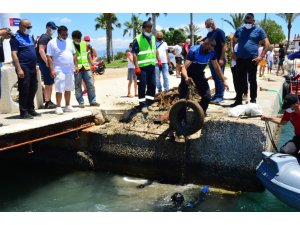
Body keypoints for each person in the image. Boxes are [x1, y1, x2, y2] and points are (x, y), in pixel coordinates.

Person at [179, 38, 229, 114]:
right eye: (208, 49)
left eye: (211, 49)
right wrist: (186, 78)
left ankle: (199, 114)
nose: (209, 51)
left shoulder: (212, 52)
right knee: (183, 98)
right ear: (204, 44)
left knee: (207, 97)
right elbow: (184, 68)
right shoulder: (194, 51)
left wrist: (223, 80)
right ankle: (180, 118)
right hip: (188, 74)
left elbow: (217, 67)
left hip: (199, 74)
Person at [231, 13, 270, 107]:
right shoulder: (240, 29)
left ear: (253, 21)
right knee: (239, 80)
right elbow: (233, 40)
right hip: (240, 59)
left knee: (252, 80)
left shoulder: (259, 30)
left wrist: (261, 56)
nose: (247, 23)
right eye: (245, 21)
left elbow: (267, 43)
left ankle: (253, 100)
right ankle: (238, 100)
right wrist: (232, 52)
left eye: (249, 21)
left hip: (252, 60)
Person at [10, 19, 41, 119]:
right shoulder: (15, 37)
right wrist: (18, 69)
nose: (29, 29)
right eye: (27, 27)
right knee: (24, 89)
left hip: (32, 67)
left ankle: (30, 109)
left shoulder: (29, 37)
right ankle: (23, 112)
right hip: (23, 66)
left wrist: (35, 66)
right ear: (20, 26)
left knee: (33, 87)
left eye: (30, 27)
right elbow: (14, 54)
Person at [46, 25, 78, 115]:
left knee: (69, 87)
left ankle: (67, 106)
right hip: (59, 68)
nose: (65, 35)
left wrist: (76, 66)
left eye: (66, 34)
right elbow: (49, 57)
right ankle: (58, 106)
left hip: (69, 68)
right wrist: (51, 70)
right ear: (59, 34)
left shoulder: (70, 41)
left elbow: (74, 54)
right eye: (63, 34)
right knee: (59, 88)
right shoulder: (51, 43)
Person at [132, 19, 161, 113]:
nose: (149, 30)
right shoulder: (137, 39)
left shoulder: (153, 38)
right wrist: (136, 67)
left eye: (150, 28)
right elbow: (134, 54)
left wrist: (159, 60)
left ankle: (149, 103)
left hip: (152, 66)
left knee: (152, 84)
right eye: (147, 28)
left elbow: (155, 49)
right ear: (143, 29)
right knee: (142, 85)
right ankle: (143, 105)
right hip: (142, 68)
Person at [72, 30, 100, 108]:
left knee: (90, 84)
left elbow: (88, 55)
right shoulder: (70, 45)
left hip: (86, 67)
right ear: (73, 39)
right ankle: (81, 102)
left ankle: (93, 101)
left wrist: (92, 64)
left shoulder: (84, 44)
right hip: (77, 69)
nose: (78, 41)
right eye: (77, 40)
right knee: (78, 86)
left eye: (79, 39)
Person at [205, 18, 227, 104]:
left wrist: (221, 58)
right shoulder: (209, 33)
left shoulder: (219, 32)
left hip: (219, 59)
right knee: (215, 77)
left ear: (212, 24)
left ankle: (220, 96)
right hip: (212, 59)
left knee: (219, 77)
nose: (206, 28)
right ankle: (217, 94)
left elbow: (224, 45)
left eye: (207, 26)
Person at [37, 21, 58, 109]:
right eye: (53, 28)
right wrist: (47, 62)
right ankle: (47, 101)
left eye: (55, 28)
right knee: (48, 83)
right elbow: (41, 50)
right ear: (48, 27)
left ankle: (49, 100)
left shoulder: (48, 37)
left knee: (50, 83)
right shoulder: (45, 37)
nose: (54, 30)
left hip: (47, 64)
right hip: (44, 64)